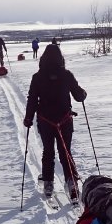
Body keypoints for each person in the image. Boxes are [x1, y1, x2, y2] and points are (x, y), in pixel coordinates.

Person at [23, 43, 87, 199]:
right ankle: (72, 184)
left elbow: (32, 99)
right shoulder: (67, 75)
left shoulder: (37, 77)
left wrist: (28, 117)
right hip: (64, 120)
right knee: (65, 152)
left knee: (48, 152)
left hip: (45, 121)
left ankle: (48, 183)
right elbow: (79, 96)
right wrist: (83, 93)